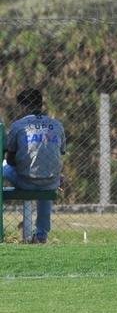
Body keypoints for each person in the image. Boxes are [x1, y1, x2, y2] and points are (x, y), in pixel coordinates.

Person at [4, 88, 67, 244]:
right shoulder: (56, 125)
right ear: (40, 104)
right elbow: (60, 152)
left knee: (3, 166)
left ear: (24, 106)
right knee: (46, 182)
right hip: (51, 181)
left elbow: (10, 159)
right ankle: (41, 235)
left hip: (26, 181)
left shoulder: (18, 126)